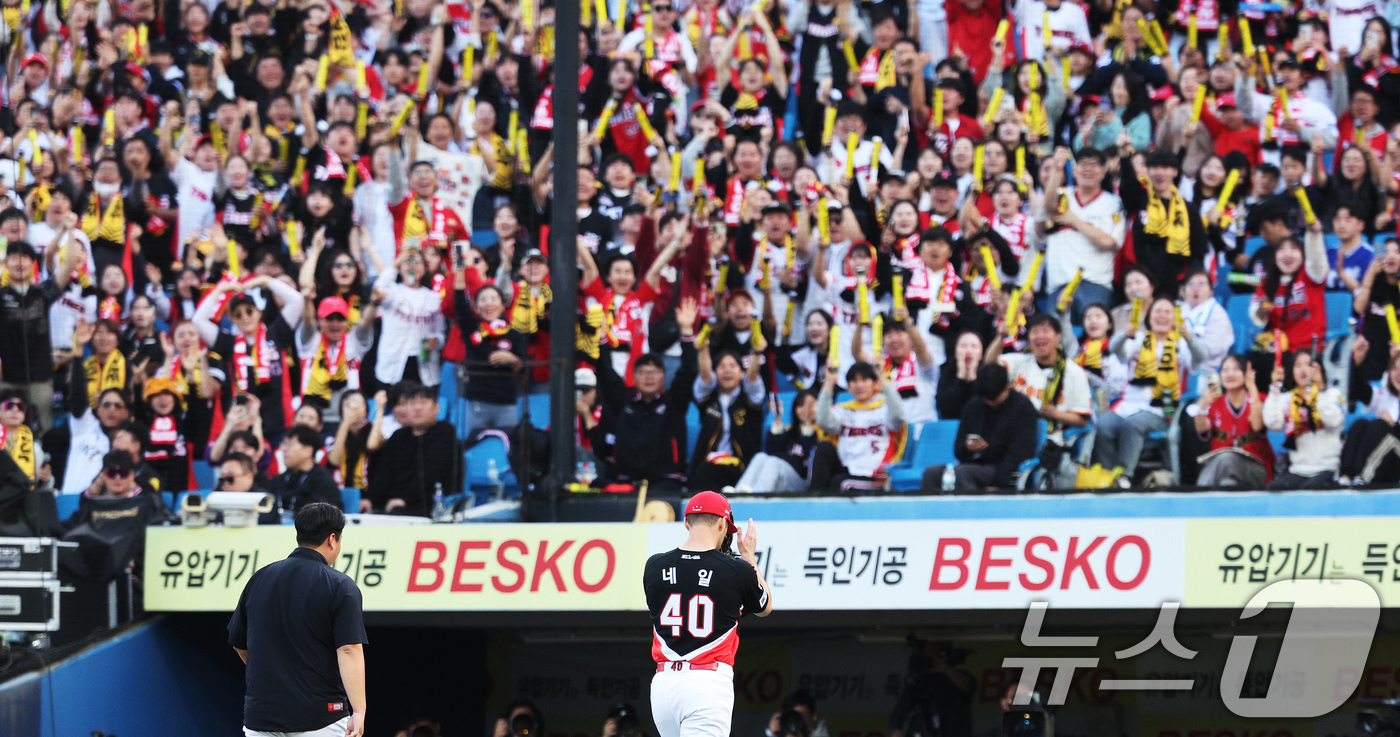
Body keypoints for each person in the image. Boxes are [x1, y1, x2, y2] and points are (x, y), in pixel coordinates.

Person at [228, 502, 367, 737]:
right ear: (333, 539)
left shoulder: (259, 578)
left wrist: (273, 678)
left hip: (261, 718)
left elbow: (239, 643)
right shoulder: (340, 585)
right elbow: (348, 650)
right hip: (321, 718)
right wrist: (359, 711)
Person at [645, 491, 772, 737]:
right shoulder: (737, 569)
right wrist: (749, 558)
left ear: (686, 522)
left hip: (663, 684)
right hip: (706, 681)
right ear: (723, 524)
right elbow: (764, 606)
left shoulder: (654, 565)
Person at [923, 362, 1039, 492]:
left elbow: (1021, 452)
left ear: (1007, 387)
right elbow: (958, 450)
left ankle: (973, 511)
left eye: (995, 399)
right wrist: (967, 447)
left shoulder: (1023, 408)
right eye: (986, 399)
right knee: (931, 473)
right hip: (973, 464)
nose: (990, 403)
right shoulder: (973, 406)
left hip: (1002, 467)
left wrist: (999, 483)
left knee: (963, 473)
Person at [364, 384, 460, 516]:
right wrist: (370, 499)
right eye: (412, 403)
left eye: (423, 402)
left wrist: (405, 499)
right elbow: (383, 473)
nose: (417, 407)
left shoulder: (446, 433)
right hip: (392, 505)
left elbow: (432, 473)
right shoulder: (398, 436)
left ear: (436, 408)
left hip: (431, 506)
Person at [812, 362, 908, 493]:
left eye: (864, 380)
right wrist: (829, 382)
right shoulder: (844, 410)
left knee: (840, 483)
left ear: (875, 383)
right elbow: (823, 421)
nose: (859, 385)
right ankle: (814, 497)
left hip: (874, 474)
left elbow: (898, 418)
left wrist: (883, 377)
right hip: (846, 469)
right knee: (824, 447)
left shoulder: (885, 409)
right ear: (848, 386)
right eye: (854, 381)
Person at [1263, 350, 1345, 488]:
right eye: (1297, 365)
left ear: (1319, 369)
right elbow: (1273, 424)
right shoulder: (1287, 399)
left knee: (1310, 489)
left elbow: (1334, 420)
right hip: (1298, 471)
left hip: (1329, 468)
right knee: (1273, 489)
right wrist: (1275, 389)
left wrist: (1320, 389)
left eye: (1309, 364)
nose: (1303, 369)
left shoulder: (1331, 394)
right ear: (1292, 371)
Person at [1190, 355, 1274, 487]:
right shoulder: (1215, 403)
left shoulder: (1260, 399)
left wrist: (1252, 388)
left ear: (1246, 374)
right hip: (1222, 470)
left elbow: (1258, 426)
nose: (1230, 374)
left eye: (1236, 369)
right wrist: (1202, 406)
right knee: (1228, 483)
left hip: (1255, 468)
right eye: (1225, 370)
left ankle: (1201, 492)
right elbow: (1202, 429)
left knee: (1228, 457)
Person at [733, 392, 820, 494]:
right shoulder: (790, 432)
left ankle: (756, 498)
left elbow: (808, 455)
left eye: (810, 405)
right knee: (760, 456)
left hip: (802, 481)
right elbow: (772, 450)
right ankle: (738, 493)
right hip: (781, 476)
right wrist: (778, 420)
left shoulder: (823, 432)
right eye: (801, 405)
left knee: (773, 462)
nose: (805, 410)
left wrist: (808, 425)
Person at [266, 425, 343, 513]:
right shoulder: (279, 480)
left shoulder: (323, 481)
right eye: (283, 444)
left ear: (308, 451)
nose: (283, 449)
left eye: (289, 445)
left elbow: (323, 515)